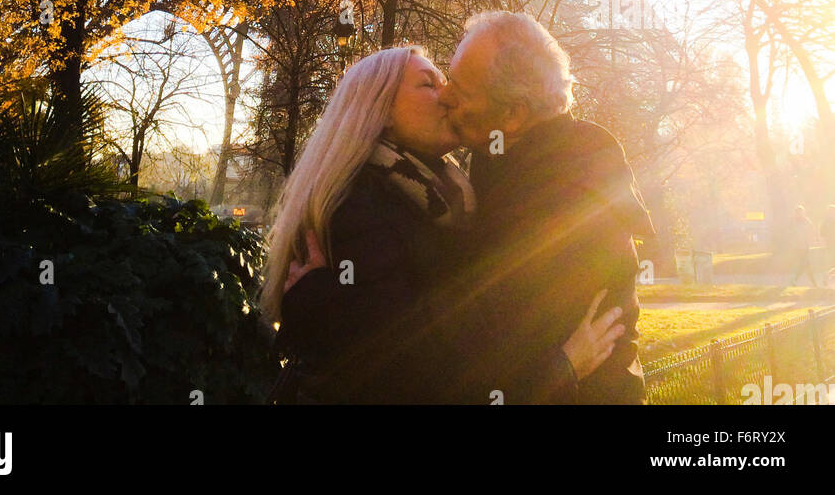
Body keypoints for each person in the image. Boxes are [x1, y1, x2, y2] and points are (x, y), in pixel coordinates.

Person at [264, 43, 624, 404]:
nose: (448, 96)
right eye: (428, 85)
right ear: (381, 111)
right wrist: (561, 369)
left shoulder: (435, 197)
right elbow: (410, 375)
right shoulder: (359, 207)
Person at [437, 11, 655, 405]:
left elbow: (494, 338)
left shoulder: (565, 195)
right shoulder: (505, 156)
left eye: (459, 88)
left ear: (513, 115)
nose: (443, 95)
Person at [788, 205, 819, 286]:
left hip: (805, 246)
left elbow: (812, 231)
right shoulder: (793, 223)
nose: (800, 214)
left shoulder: (807, 221)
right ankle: (813, 283)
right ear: (796, 214)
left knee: (805, 264)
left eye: (802, 213)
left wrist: (814, 240)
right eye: (798, 213)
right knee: (805, 264)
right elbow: (791, 235)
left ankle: (795, 280)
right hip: (798, 247)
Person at [821, 206, 835, 272]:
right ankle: (829, 275)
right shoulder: (825, 221)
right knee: (830, 260)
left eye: (833, 211)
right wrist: (823, 241)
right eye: (830, 211)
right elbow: (822, 232)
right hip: (829, 243)